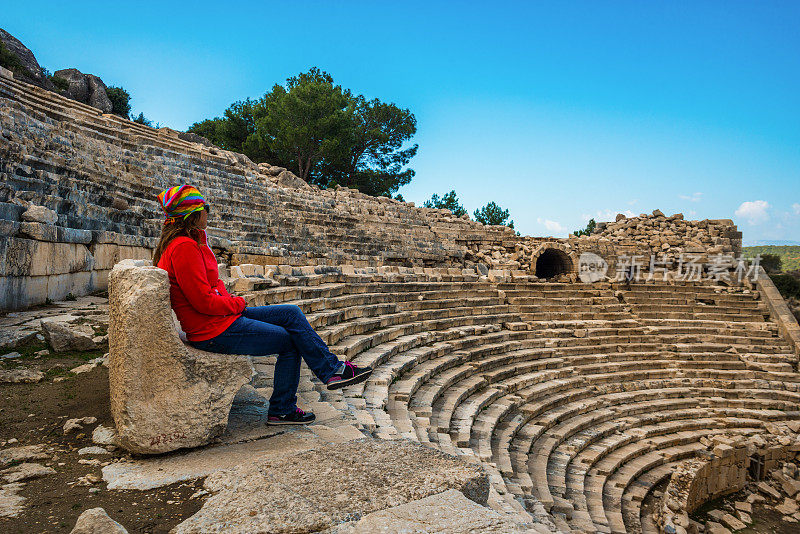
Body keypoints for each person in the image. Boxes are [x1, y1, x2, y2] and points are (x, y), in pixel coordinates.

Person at [153, 185, 372, 425]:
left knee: (290, 312)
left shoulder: (191, 242)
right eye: (206, 208)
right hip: (211, 330)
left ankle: (332, 371)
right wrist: (236, 303)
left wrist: (230, 302)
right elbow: (202, 301)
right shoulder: (183, 247)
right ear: (193, 214)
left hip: (220, 319)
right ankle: (283, 409)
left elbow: (213, 284)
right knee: (290, 342)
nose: (209, 212)